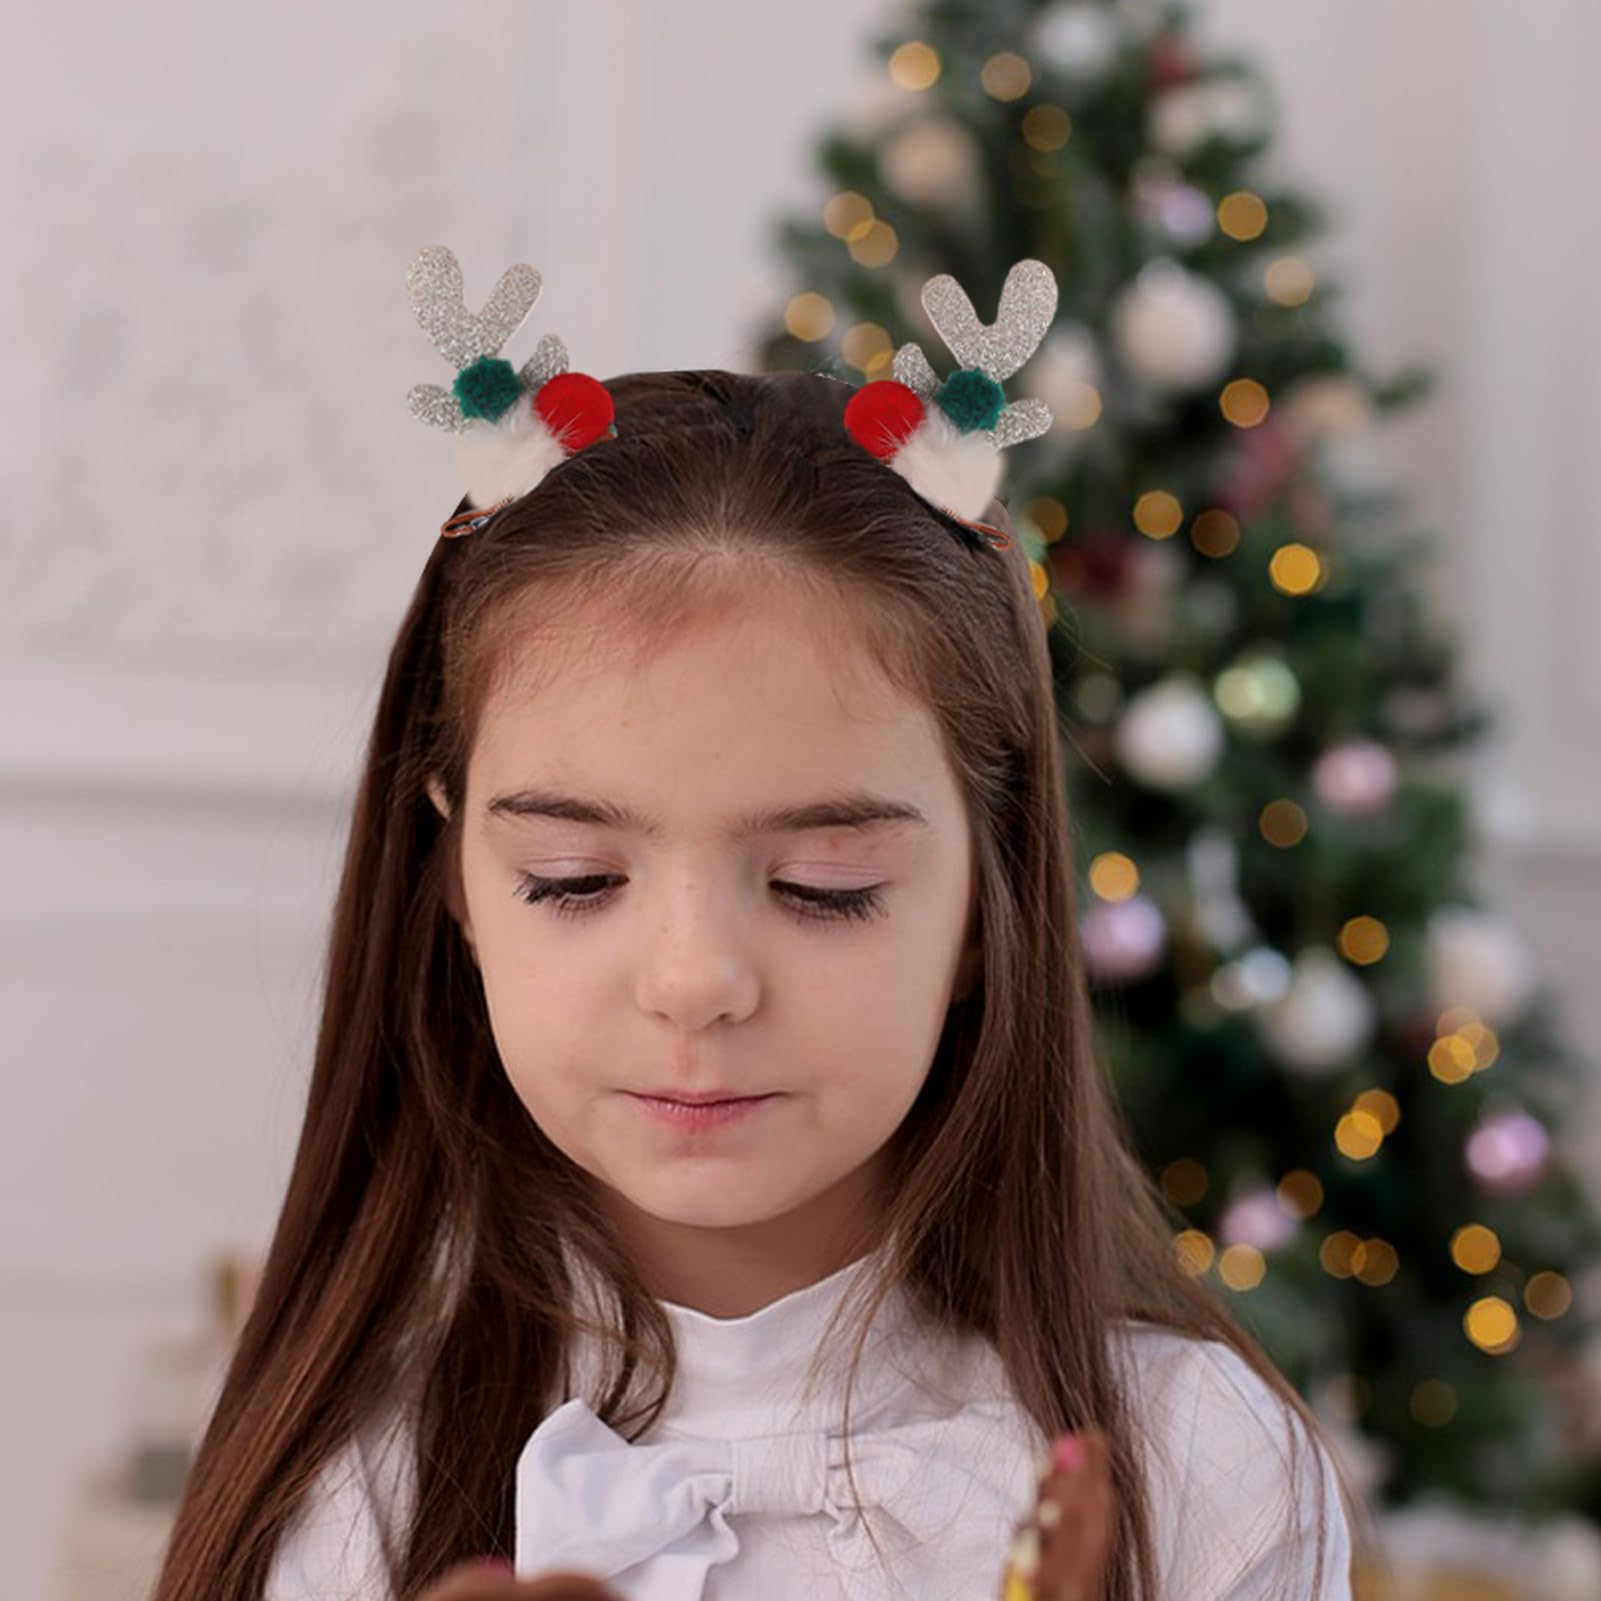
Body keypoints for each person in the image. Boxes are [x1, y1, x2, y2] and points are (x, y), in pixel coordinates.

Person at [149, 249, 1379, 1601]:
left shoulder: (1201, 1471)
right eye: (571, 877)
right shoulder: (347, 1485)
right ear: (452, 878)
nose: (695, 982)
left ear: (985, 898)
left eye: (823, 886)